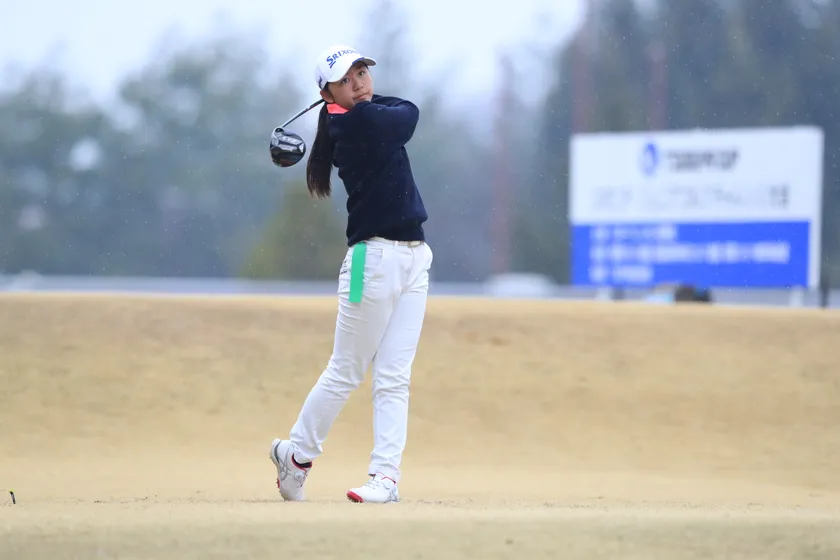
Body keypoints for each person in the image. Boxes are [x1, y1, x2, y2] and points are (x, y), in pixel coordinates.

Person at [269, 44, 434, 504]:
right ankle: (297, 456)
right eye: (347, 78)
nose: (360, 82)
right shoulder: (356, 123)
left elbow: (403, 111)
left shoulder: (353, 116)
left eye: (362, 72)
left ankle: (385, 478)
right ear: (328, 94)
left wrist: (343, 100)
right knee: (346, 370)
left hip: (415, 258)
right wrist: (352, 105)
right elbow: (408, 114)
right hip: (371, 260)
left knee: (394, 377)